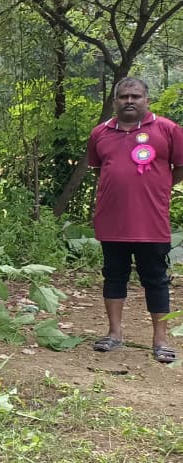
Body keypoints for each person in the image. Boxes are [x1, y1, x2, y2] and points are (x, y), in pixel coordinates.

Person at [84, 77, 183, 364]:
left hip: (152, 222)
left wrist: (160, 187)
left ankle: (160, 340)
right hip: (112, 221)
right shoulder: (100, 133)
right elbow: (99, 170)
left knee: (156, 280)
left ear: (146, 100)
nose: (129, 101)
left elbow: (179, 167)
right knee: (114, 276)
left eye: (135, 96)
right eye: (124, 96)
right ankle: (114, 334)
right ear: (115, 101)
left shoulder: (167, 129)